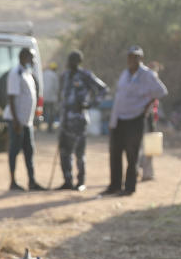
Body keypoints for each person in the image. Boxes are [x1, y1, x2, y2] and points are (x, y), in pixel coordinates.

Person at [104, 46, 168, 196]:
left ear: (141, 59)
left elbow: (161, 91)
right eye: (130, 57)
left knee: (132, 155)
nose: (132, 60)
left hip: (135, 118)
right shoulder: (125, 74)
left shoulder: (147, 75)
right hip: (118, 119)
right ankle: (114, 185)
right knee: (115, 153)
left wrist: (147, 104)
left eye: (135, 57)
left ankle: (129, 187)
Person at [56, 50, 107, 191]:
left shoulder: (85, 75)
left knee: (79, 153)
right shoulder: (64, 76)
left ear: (79, 62)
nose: (70, 63)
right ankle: (67, 180)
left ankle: (81, 181)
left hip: (79, 121)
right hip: (65, 120)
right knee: (64, 152)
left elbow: (103, 89)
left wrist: (90, 104)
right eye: (69, 60)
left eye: (74, 60)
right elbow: (60, 95)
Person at [3, 47, 44, 191]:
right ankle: (13, 182)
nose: (33, 61)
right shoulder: (16, 74)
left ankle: (32, 182)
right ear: (23, 58)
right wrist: (16, 121)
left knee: (29, 151)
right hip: (17, 120)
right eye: (31, 58)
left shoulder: (28, 74)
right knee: (14, 150)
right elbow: (11, 98)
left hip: (27, 122)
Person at [42, 61, 59, 132]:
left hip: (44, 96)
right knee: (52, 113)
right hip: (52, 97)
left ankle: (43, 125)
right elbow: (57, 87)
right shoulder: (54, 75)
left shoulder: (44, 73)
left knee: (46, 112)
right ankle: (49, 127)